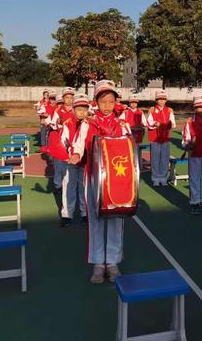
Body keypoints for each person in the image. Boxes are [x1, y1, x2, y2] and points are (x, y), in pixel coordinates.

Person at [69, 80, 131, 284]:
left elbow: (130, 147)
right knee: (95, 221)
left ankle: (112, 263)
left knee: (116, 219)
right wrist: (76, 154)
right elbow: (78, 144)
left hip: (117, 181)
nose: (107, 105)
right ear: (96, 102)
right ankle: (98, 264)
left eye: (111, 101)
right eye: (103, 101)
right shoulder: (88, 123)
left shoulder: (122, 124)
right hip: (94, 178)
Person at [58, 94, 89, 227]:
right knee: (69, 186)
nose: (82, 112)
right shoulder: (68, 124)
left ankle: (85, 213)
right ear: (74, 110)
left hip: (85, 161)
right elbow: (63, 141)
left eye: (84, 109)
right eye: (79, 109)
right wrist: (68, 150)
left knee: (84, 187)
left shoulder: (90, 123)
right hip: (70, 161)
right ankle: (67, 214)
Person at [147, 90, 176, 186]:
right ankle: (155, 178)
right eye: (159, 99)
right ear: (156, 100)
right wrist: (155, 123)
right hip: (154, 137)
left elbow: (173, 124)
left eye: (163, 99)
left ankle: (163, 177)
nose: (161, 101)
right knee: (155, 158)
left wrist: (169, 124)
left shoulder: (169, 110)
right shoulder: (152, 110)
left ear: (166, 100)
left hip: (165, 137)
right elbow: (149, 122)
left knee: (164, 158)